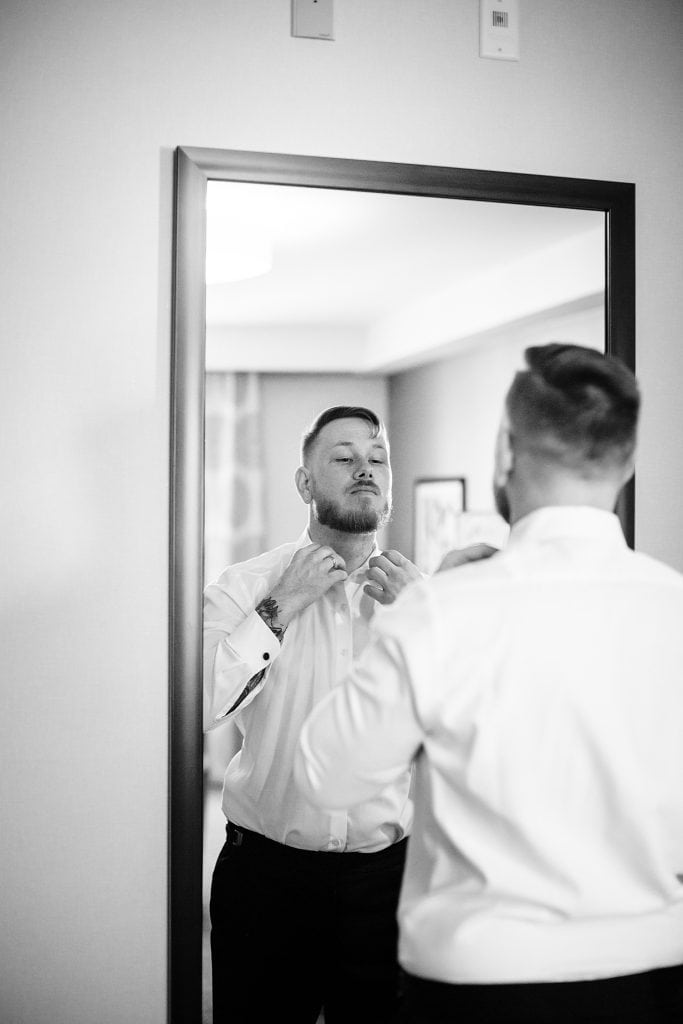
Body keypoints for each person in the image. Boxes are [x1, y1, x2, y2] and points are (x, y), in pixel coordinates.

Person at [296, 345, 683, 1024]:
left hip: (479, 985)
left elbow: (325, 777)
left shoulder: (442, 609)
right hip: (653, 979)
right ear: (627, 460)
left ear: (505, 451)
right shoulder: (674, 608)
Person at [204, 405, 422, 1024]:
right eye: (344, 457)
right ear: (305, 484)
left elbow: (469, 733)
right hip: (266, 883)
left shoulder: (425, 599)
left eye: (376, 459)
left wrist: (423, 629)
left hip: (389, 886)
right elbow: (195, 710)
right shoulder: (247, 587)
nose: (365, 470)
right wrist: (279, 607)